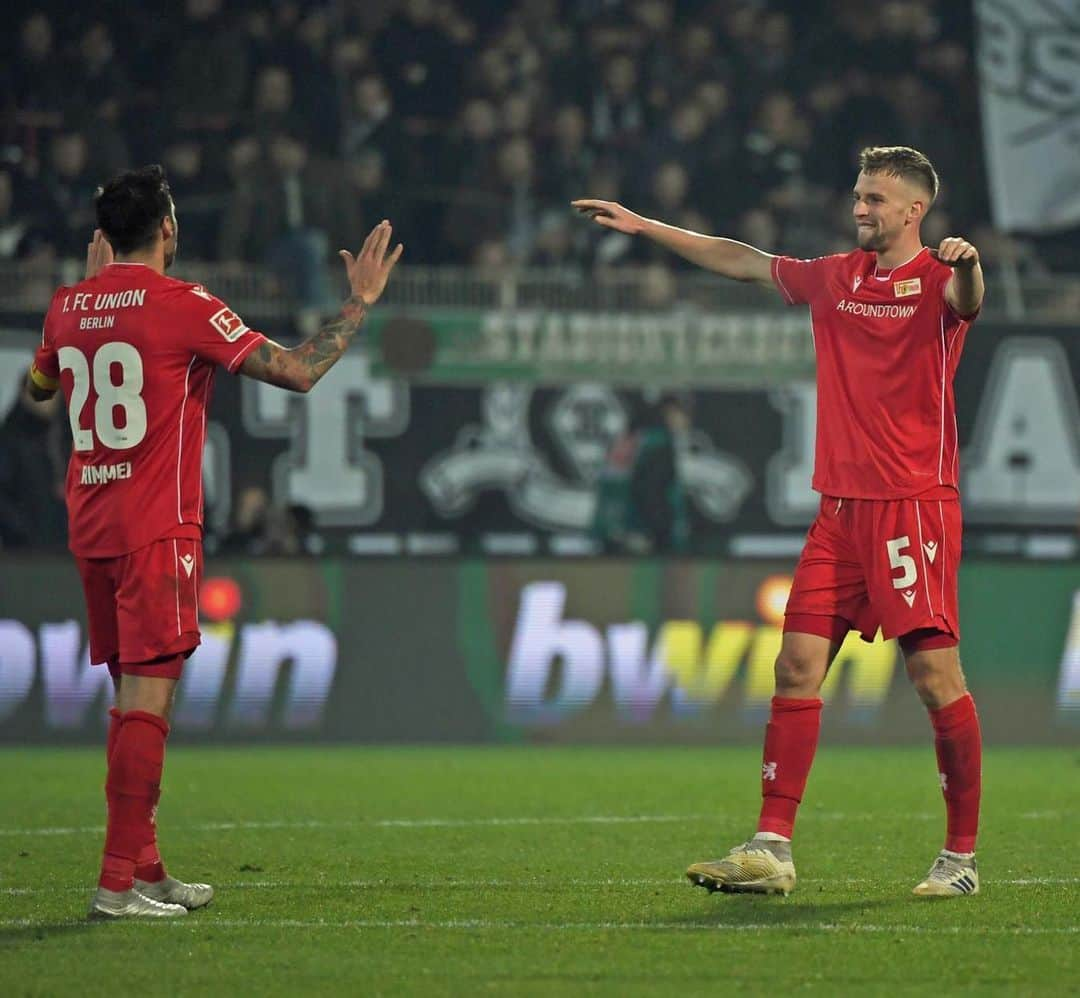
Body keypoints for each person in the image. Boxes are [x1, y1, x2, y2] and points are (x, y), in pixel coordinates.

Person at [574, 145, 985, 899]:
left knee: (933, 677)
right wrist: (645, 225)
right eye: (858, 195)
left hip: (911, 506)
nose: (860, 208)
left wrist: (965, 262)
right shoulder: (836, 277)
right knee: (795, 667)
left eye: (875, 199)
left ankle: (959, 859)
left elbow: (967, 299)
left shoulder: (935, 281)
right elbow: (740, 260)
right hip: (837, 512)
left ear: (914, 211)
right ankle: (771, 849)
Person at [27, 165, 402, 919]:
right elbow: (296, 372)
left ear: (105, 236)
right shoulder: (183, 304)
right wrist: (357, 306)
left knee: (129, 701)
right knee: (149, 704)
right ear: (168, 227)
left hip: (92, 525)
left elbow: (40, 390)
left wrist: (91, 298)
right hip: (156, 528)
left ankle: (146, 865)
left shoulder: (69, 306)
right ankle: (114, 886)